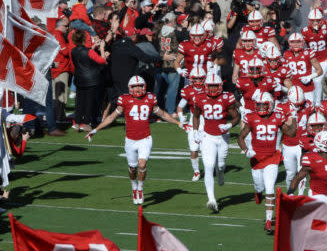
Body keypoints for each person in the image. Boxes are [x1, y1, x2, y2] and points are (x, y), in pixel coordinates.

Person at [86, 76, 181, 205]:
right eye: (135, 86)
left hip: (145, 138)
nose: (138, 88)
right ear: (130, 88)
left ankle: (140, 189)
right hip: (130, 140)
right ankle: (134, 187)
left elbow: (162, 114)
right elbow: (112, 117)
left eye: (140, 86)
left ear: (144, 86)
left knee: (142, 165)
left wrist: (178, 123)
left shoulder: (150, 98)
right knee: (132, 168)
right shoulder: (124, 99)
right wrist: (95, 130)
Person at [238, 91, 296, 232]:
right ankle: (258, 192)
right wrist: (246, 150)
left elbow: (291, 133)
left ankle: (269, 221)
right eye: (259, 105)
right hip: (256, 158)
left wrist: (293, 117)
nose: (261, 108)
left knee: (270, 189)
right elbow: (241, 138)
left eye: (264, 105)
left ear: (270, 105)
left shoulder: (277, 116)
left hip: (272, 157)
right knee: (260, 186)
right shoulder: (251, 117)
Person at [192, 73, 239, 212]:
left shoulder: (226, 97)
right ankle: (211, 199)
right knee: (208, 166)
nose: (212, 89)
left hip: (223, 137)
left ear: (220, 86)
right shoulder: (200, 97)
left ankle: (221, 174)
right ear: (206, 86)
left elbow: (237, 117)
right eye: (210, 86)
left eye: (215, 86)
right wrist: (195, 131)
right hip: (208, 136)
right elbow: (195, 115)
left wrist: (229, 126)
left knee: (220, 165)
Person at [289, 130, 327, 213]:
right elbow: (298, 177)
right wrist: (290, 192)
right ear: (321, 144)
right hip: (317, 195)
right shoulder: (312, 159)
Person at [70, 29, 108, 131]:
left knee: (79, 102)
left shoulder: (73, 51)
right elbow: (102, 61)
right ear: (84, 39)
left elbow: (83, 55)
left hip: (79, 78)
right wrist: (102, 49)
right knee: (89, 102)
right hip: (91, 79)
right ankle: (86, 123)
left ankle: (77, 123)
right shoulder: (89, 51)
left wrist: (92, 47)